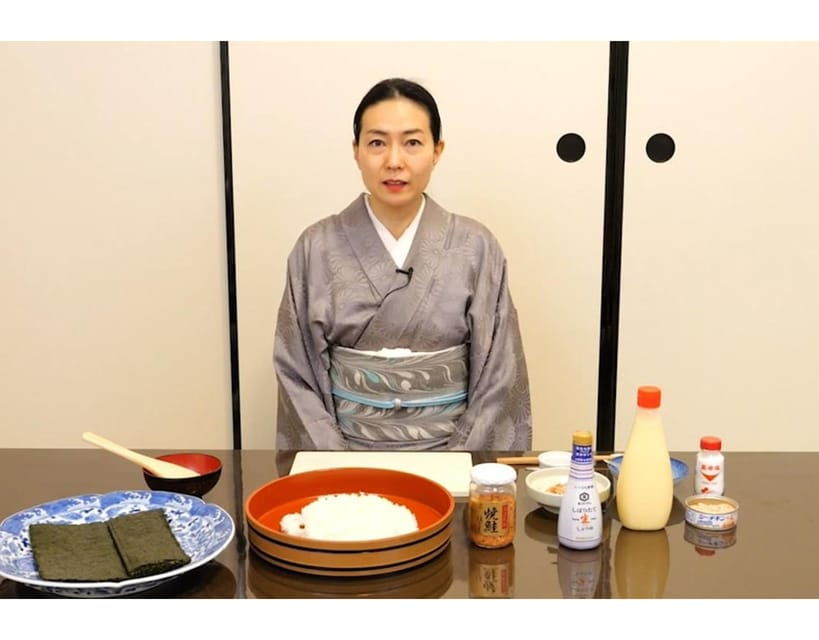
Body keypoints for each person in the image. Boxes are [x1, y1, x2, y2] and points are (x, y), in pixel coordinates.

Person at [274, 78, 531, 451]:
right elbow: (296, 373)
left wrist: (454, 467)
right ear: (356, 151)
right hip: (345, 461)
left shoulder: (476, 247)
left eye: (412, 143)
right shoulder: (315, 247)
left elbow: (499, 375)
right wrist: (339, 467)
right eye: (377, 143)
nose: (394, 161)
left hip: (451, 461)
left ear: (437, 150)